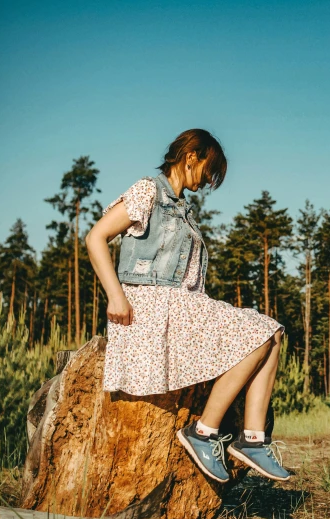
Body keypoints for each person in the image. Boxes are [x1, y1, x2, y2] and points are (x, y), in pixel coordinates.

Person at [86, 129, 290, 484]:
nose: (209, 181)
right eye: (210, 170)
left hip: (181, 307)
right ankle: (204, 431)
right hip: (150, 306)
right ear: (191, 155)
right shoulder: (148, 190)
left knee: (272, 332)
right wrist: (115, 295)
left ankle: (254, 440)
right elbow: (95, 237)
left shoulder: (183, 211)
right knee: (260, 332)